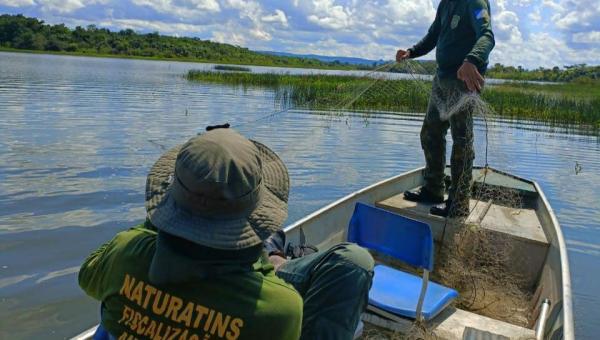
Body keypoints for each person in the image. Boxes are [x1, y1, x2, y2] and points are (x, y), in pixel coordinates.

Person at [79, 128, 374, 340]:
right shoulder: (278, 308)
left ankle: (272, 251)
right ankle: (273, 253)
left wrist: (164, 214)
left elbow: (88, 276)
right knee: (354, 261)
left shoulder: (125, 254)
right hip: (251, 276)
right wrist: (268, 263)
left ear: (170, 203)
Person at [397, 0, 495, 217]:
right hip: (441, 79)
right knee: (430, 132)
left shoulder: (475, 2)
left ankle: (459, 203)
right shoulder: (445, 4)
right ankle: (433, 189)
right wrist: (411, 52)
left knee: (461, 142)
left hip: (462, 81)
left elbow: (487, 36)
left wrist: (472, 60)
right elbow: (433, 35)